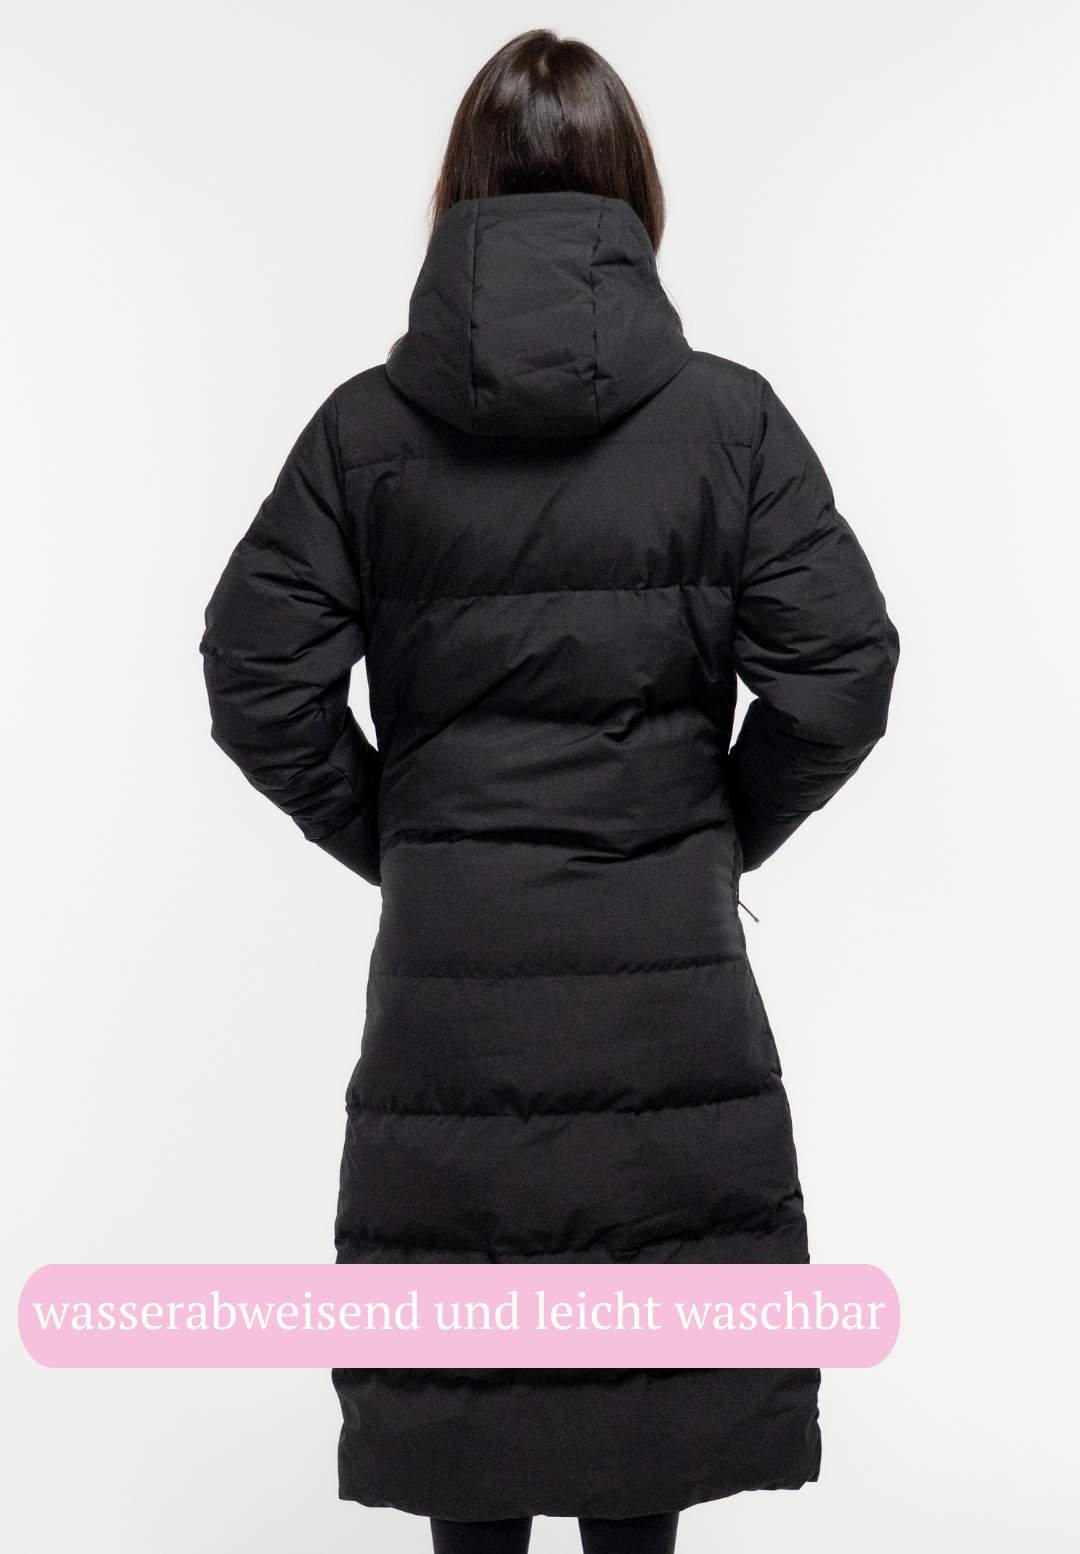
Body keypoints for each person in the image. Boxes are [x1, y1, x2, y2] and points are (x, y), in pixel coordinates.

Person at [200, 28, 899, 1554]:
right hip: (665, 987)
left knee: (473, 1394)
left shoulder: (364, 435)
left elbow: (254, 677)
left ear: (458, 192)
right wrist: (712, 831)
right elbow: (841, 673)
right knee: (648, 1393)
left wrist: (406, 837)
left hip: (455, 989)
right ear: (634, 190)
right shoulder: (730, 422)